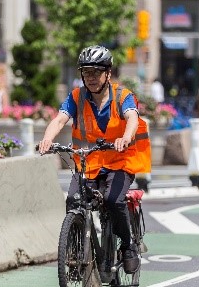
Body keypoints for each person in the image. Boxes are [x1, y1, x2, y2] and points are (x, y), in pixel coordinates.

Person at [38, 45, 151, 274]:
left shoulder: (123, 96)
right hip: (88, 164)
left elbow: (132, 118)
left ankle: (128, 247)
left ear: (108, 73)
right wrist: (47, 140)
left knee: (112, 200)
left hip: (120, 162)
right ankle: (77, 254)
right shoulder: (77, 97)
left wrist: (126, 137)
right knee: (73, 201)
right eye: (86, 72)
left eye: (96, 72)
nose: (91, 77)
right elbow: (60, 120)